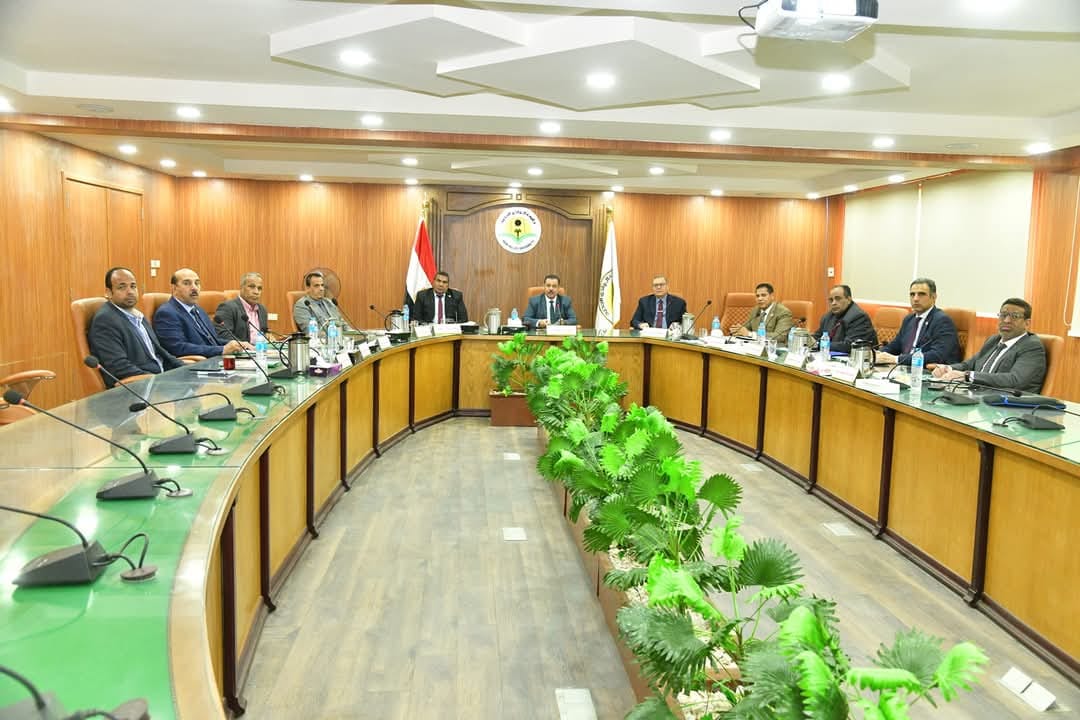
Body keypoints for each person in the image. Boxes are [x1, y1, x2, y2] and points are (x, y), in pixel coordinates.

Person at [88, 267, 183, 387]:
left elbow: (159, 351)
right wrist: (160, 381)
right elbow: (119, 367)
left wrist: (186, 369)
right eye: (122, 287)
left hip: (159, 378)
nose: (130, 292)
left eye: (133, 286)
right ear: (109, 292)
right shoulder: (105, 320)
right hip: (138, 387)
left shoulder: (137, 315)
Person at [931, 298, 1046, 393]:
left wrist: (967, 376)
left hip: (1008, 405)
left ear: (1027, 323)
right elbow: (969, 364)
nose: (1007, 320)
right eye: (1003, 315)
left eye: (1014, 316)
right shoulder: (993, 340)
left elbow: (1015, 380)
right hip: (977, 395)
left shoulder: (1031, 346)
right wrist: (948, 369)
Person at [154, 267, 249, 358]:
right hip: (193, 364)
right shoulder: (167, 313)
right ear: (174, 288)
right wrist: (222, 350)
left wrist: (237, 344)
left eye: (197, 283)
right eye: (187, 283)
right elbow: (178, 347)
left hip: (213, 360)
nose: (194, 288)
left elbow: (212, 341)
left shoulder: (199, 310)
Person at [877, 278, 960, 366]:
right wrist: (877, 354)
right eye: (912, 294)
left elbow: (937, 356)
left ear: (933, 297)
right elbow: (894, 346)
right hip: (905, 369)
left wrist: (896, 359)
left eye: (921, 294)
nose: (915, 299)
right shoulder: (909, 319)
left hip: (930, 371)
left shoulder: (942, 321)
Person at [811, 284, 878, 354]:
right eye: (831, 300)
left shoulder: (859, 317)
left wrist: (819, 344)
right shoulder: (828, 316)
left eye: (838, 299)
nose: (833, 303)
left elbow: (849, 346)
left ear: (849, 300)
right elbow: (818, 336)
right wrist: (809, 339)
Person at [214, 272, 270, 344]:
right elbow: (223, 334)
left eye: (259, 288)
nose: (256, 292)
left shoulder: (262, 309)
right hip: (241, 350)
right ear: (241, 287)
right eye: (251, 287)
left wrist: (268, 336)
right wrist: (243, 345)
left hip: (260, 349)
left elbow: (264, 332)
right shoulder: (227, 307)